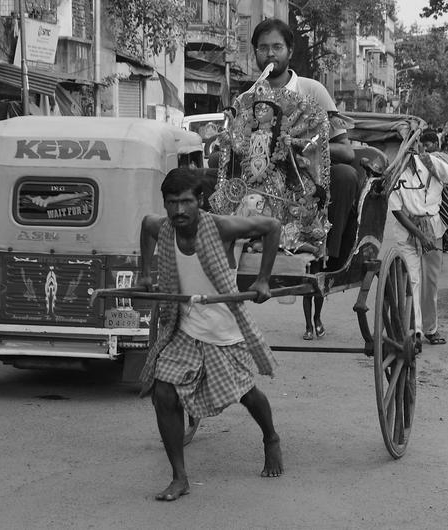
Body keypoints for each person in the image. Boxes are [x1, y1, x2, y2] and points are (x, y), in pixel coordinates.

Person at [139, 168, 283, 502]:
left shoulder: (221, 227)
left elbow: (272, 227)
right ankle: (179, 477)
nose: (178, 211)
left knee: (246, 395)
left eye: (186, 202)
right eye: (172, 202)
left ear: (200, 201)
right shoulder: (161, 227)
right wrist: (145, 273)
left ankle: (271, 437)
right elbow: (145, 226)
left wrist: (263, 279)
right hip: (184, 326)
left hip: (223, 328)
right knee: (164, 394)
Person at [247, 18, 360, 340]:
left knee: (346, 175)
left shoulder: (312, 90)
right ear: (254, 53)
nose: (270, 54)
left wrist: (298, 147)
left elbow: (346, 150)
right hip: (264, 180)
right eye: (263, 48)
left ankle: (329, 257)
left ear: (290, 51)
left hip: (309, 178)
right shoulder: (250, 95)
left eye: (276, 47)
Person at [389, 130, 448, 345]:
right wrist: (419, 235)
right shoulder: (393, 174)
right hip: (407, 232)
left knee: (430, 282)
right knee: (412, 280)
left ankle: (431, 329)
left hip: (434, 229)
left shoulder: (430, 162)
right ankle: (414, 332)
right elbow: (396, 210)